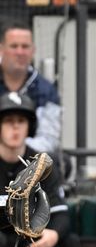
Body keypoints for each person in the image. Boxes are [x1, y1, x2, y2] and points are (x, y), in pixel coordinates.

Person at [0, 91, 86, 247]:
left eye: (21, 121)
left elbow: (60, 213)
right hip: (3, 243)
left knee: (70, 242)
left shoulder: (41, 164)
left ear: (29, 126)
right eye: (8, 121)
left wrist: (53, 235)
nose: (15, 128)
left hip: (34, 244)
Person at [0, 20, 62, 155]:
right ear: (1, 49)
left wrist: (17, 147)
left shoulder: (47, 91)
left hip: (31, 163)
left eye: (25, 46)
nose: (20, 52)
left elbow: (49, 139)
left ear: (33, 51)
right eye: (14, 46)